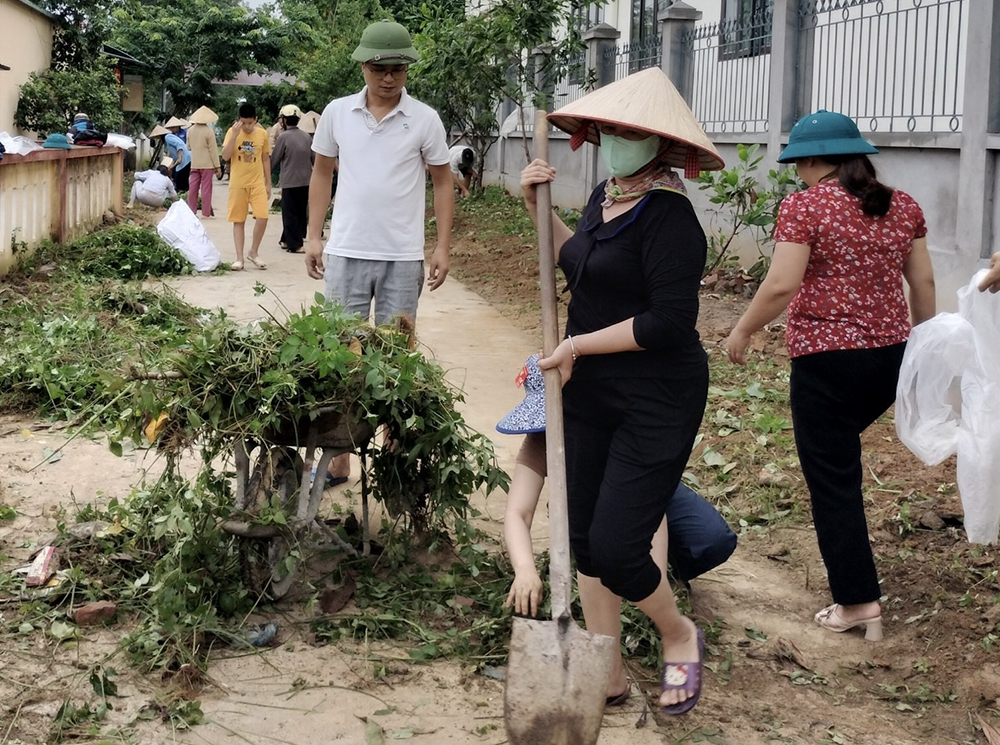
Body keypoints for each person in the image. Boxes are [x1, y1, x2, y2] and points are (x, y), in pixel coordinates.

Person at [519, 67, 724, 714]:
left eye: (631, 130)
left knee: (616, 545)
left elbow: (670, 322)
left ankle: (677, 632)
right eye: (610, 126)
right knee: (581, 537)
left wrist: (577, 345)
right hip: (590, 391)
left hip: (656, 394)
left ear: (659, 143)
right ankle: (604, 664)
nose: (616, 137)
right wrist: (538, 211)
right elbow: (578, 261)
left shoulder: (670, 218)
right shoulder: (604, 198)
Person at [723, 110, 936, 642]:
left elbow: (780, 285)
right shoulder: (902, 204)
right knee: (840, 459)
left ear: (812, 160)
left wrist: (742, 331)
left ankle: (858, 602)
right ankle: (856, 592)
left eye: (798, 163)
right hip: (890, 359)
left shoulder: (805, 204)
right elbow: (924, 281)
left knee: (833, 479)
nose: (797, 173)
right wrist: (926, 344)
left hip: (827, 360)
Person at [500, 357, 737, 674]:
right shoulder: (541, 440)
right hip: (598, 507)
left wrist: (646, 581)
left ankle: (672, 576)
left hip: (646, 492)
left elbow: (651, 517)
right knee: (576, 519)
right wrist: (525, 569)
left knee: (711, 540)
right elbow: (518, 511)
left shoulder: (610, 421)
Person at [306, 20, 454, 486]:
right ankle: (338, 459)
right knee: (339, 355)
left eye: (397, 68)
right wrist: (314, 235)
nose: (388, 78)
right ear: (363, 66)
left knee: (396, 361)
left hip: (401, 258)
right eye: (378, 67)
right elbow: (322, 173)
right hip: (346, 251)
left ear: (407, 69)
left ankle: (392, 459)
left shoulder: (424, 119)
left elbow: (443, 180)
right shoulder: (336, 113)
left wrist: (442, 246)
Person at [221, 103, 272, 271]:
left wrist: (268, 182)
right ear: (239, 121)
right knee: (238, 220)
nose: (247, 126)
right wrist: (235, 135)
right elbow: (226, 156)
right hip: (238, 183)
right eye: (244, 123)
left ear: (256, 120)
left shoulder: (263, 134)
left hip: (257, 183)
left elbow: (265, 159)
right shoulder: (232, 132)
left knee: (263, 217)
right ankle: (239, 258)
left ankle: (253, 252)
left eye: (250, 123)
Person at [272, 104, 314, 253]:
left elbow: (275, 158)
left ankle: (295, 244)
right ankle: (286, 239)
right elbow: (313, 159)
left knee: (289, 212)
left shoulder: (283, 137)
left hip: (289, 181)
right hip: (305, 180)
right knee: (300, 211)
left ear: (284, 120)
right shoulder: (306, 137)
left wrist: (266, 173)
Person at [186, 106, 222, 219]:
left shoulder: (190, 130)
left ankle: (191, 211)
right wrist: (217, 166)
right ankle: (205, 213)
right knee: (206, 189)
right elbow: (213, 150)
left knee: (193, 188)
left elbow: (188, 147)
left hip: (195, 163)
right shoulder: (209, 131)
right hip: (207, 165)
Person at [164, 116, 192, 192]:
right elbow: (171, 151)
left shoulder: (184, 133)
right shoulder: (170, 136)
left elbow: (180, 145)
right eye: (171, 128)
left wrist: (180, 157)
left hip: (185, 158)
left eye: (174, 127)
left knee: (181, 179)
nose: (173, 129)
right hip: (179, 160)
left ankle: (184, 195)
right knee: (177, 177)